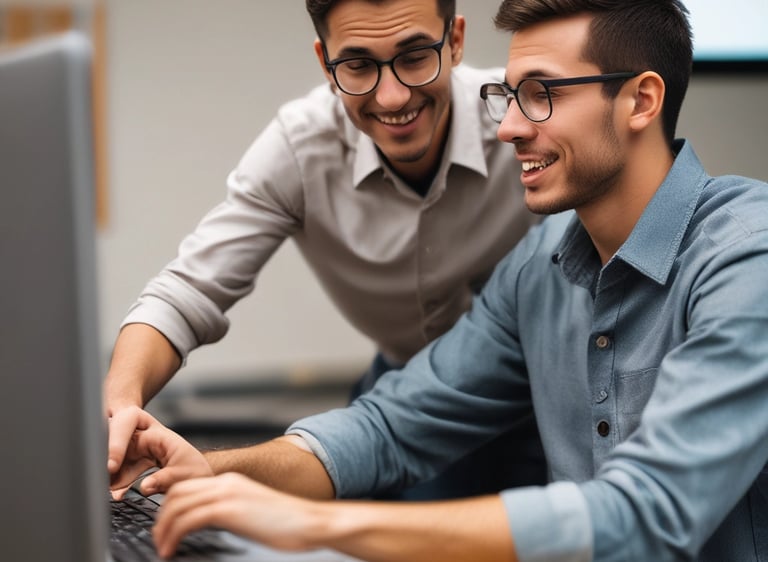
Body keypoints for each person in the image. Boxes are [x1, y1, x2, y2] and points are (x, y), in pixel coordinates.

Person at [108, 0, 768, 561]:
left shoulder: (746, 258)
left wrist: (321, 526)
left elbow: (649, 514)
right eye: (509, 96)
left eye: (539, 95)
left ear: (641, 100)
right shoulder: (538, 270)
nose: (508, 126)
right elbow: (389, 427)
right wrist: (206, 473)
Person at [104, 0, 545, 501]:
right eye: (358, 65)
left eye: (416, 55)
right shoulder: (300, 147)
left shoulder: (522, 118)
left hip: (541, 391)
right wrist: (119, 404)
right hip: (400, 395)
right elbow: (186, 292)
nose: (393, 94)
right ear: (325, 64)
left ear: (456, 41)